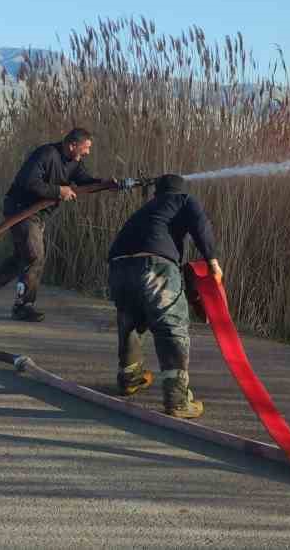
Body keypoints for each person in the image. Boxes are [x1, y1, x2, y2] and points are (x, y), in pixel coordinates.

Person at [0, 128, 116, 322]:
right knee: (35, 256)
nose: (88, 152)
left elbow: (85, 182)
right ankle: (23, 305)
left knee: (22, 258)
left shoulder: (75, 162)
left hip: (39, 216)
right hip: (21, 211)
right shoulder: (46, 154)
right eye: (85, 148)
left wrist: (106, 184)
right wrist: (58, 191)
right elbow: (28, 182)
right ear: (72, 145)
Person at [107, 173, 218, 419]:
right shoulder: (184, 199)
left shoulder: (147, 209)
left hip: (118, 267)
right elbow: (201, 225)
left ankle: (129, 377)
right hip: (154, 265)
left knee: (129, 322)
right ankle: (177, 400)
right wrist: (212, 261)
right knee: (171, 327)